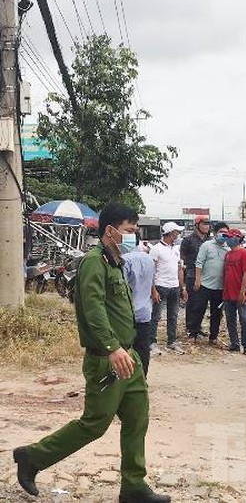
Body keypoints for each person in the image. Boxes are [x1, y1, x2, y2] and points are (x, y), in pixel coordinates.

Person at [12, 203, 171, 503]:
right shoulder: (94, 263)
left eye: (135, 231)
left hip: (129, 356)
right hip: (107, 358)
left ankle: (134, 486)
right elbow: (93, 309)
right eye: (128, 230)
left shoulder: (116, 262)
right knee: (95, 424)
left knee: (138, 417)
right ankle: (32, 458)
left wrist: (128, 349)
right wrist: (111, 348)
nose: (132, 236)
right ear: (110, 230)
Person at [150, 222, 187, 355]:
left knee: (173, 315)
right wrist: (153, 289)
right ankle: (151, 342)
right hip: (160, 285)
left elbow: (179, 269)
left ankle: (171, 341)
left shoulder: (176, 249)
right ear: (171, 233)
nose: (178, 234)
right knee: (156, 316)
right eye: (177, 232)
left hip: (174, 286)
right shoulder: (156, 249)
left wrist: (182, 288)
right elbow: (151, 271)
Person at [123, 232, 156, 377]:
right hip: (144, 312)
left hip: (126, 314)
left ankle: (127, 382)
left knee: (124, 351)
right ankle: (142, 380)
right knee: (142, 350)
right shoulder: (148, 259)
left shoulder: (124, 260)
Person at [192, 222, 228, 344]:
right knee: (198, 309)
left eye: (226, 233)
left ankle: (213, 337)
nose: (223, 235)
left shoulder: (227, 249)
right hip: (204, 284)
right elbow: (199, 263)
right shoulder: (207, 245)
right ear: (215, 233)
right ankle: (194, 333)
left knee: (216, 313)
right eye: (221, 233)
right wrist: (197, 280)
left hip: (220, 287)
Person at [179, 216, 212, 337]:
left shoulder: (209, 240)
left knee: (202, 304)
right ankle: (190, 327)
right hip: (192, 274)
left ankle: (198, 326)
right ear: (197, 225)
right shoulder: (188, 240)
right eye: (204, 224)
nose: (207, 226)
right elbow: (182, 258)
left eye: (208, 224)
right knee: (192, 302)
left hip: (206, 275)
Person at [223, 228, 246, 355]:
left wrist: (242, 292)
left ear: (237, 238)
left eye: (230, 237)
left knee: (244, 320)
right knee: (230, 320)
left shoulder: (245, 253)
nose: (228, 240)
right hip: (228, 293)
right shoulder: (228, 254)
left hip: (240, 293)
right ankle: (234, 343)